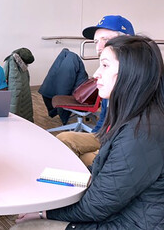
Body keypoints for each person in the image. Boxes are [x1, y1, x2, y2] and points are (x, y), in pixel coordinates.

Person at [12, 35, 164, 229]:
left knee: (23, 227)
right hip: (121, 214)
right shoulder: (136, 114)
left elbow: (97, 207)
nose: (96, 74)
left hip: (127, 223)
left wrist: (44, 213)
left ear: (131, 72)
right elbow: (105, 178)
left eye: (105, 66)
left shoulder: (140, 133)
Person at [56, 15, 135, 167]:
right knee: (63, 139)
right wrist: (97, 136)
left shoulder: (144, 81)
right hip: (105, 135)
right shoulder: (107, 79)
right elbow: (105, 118)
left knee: (86, 159)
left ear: (127, 41)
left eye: (105, 39)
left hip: (123, 143)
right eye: (96, 41)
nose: (99, 47)